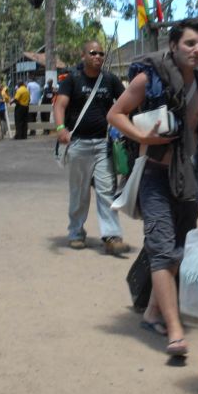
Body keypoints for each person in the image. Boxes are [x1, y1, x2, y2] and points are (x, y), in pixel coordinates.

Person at [107, 21, 198, 358]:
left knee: (180, 250)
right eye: (189, 43)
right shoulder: (147, 79)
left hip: (188, 179)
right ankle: (175, 329)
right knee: (162, 249)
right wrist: (144, 138)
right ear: (173, 45)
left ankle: (153, 313)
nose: (196, 49)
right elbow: (116, 114)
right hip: (154, 174)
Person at [54, 41, 129, 255]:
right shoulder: (72, 80)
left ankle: (111, 236)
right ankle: (76, 232)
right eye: (93, 53)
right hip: (78, 144)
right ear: (84, 55)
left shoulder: (110, 80)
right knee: (79, 192)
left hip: (103, 144)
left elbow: (125, 102)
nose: (97, 56)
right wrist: (61, 128)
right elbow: (60, 105)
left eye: (101, 53)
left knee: (107, 190)